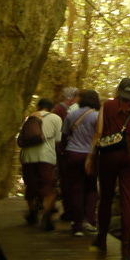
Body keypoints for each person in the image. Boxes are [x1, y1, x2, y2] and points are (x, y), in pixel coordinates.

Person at [85, 77, 130, 260]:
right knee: (128, 200)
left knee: (106, 197)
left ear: (118, 91)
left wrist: (91, 156)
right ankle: (126, 248)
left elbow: (98, 133)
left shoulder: (106, 106)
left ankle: (101, 239)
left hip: (109, 156)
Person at [19, 98, 62, 231]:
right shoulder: (56, 118)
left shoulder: (31, 118)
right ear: (51, 108)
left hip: (28, 156)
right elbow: (58, 140)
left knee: (31, 185)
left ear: (38, 106)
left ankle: (32, 213)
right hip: (46, 156)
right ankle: (46, 217)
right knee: (48, 187)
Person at [62, 89, 100, 236]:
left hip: (72, 153)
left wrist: (63, 153)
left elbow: (64, 135)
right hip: (90, 156)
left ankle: (77, 225)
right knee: (91, 187)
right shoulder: (97, 117)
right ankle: (89, 221)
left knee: (76, 188)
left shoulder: (71, 115)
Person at [52, 86, 79, 220]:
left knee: (66, 181)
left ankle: (69, 209)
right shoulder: (63, 110)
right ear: (74, 97)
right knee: (70, 181)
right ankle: (72, 210)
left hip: (64, 150)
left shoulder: (58, 109)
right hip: (71, 149)